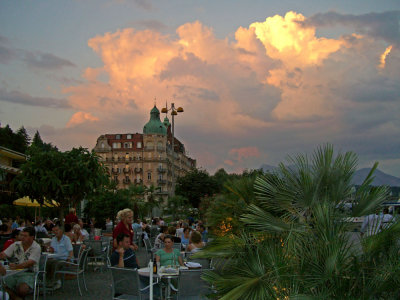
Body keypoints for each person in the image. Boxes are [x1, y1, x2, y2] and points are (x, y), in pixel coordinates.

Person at [0, 227, 41, 300]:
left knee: (22, 289)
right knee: (2, 284)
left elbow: (30, 263)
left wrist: (17, 266)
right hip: (13, 273)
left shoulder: (36, 247)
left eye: (25, 236)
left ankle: (15, 297)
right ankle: (16, 298)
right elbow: (4, 254)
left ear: (32, 237)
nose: (22, 238)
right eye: (21, 235)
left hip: (29, 273)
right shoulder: (16, 244)